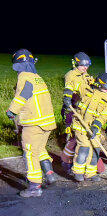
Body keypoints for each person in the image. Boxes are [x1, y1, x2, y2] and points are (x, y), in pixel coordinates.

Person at [6, 49, 57, 197]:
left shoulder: (24, 77)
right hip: (47, 122)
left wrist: (12, 111)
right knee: (40, 148)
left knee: (29, 152)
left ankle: (34, 187)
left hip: (34, 122)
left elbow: (23, 95)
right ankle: (49, 174)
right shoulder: (37, 77)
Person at [70, 73, 107, 182]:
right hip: (81, 127)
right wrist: (67, 95)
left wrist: (96, 125)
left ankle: (90, 173)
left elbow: (104, 115)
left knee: (95, 150)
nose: (106, 90)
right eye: (105, 88)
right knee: (83, 148)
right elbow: (72, 85)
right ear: (99, 85)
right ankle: (78, 172)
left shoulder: (106, 99)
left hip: (94, 129)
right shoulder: (86, 90)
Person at [61, 52, 95, 174]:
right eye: (82, 65)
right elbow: (69, 89)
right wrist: (68, 101)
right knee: (73, 137)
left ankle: (77, 161)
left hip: (83, 109)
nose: (85, 68)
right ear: (76, 63)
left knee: (80, 138)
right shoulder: (71, 75)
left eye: (87, 66)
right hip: (72, 108)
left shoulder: (85, 75)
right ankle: (66, 161)